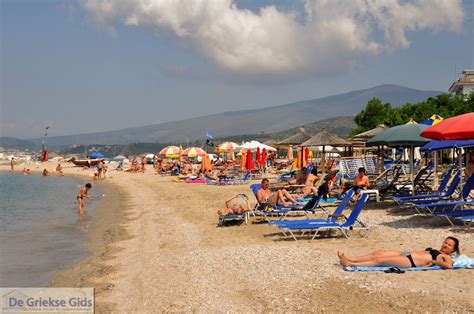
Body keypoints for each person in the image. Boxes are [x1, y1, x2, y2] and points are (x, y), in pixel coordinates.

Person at [338, 237, 459, 269]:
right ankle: (351, 258)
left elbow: (449, 266)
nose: (446, 245)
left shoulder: (445, 256)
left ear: (453, 249)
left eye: (449, 245)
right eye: (445, 242)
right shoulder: (437, 250)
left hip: (411, 261)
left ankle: (350, 264)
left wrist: (433, 261)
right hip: (406, 253)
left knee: (380, 261)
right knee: (377, 254)